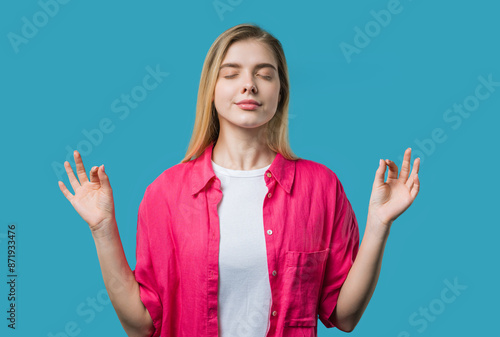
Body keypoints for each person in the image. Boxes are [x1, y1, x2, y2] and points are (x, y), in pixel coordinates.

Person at [58, 23, 420, 337]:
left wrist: (379, 224)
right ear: (211, 90)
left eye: (264, 74)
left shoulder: (320, 188)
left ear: (281, 91)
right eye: (231, 74)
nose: (249, 85)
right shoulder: (166, 193)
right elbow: (140, 325)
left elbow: (344, 316)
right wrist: (103, 228)